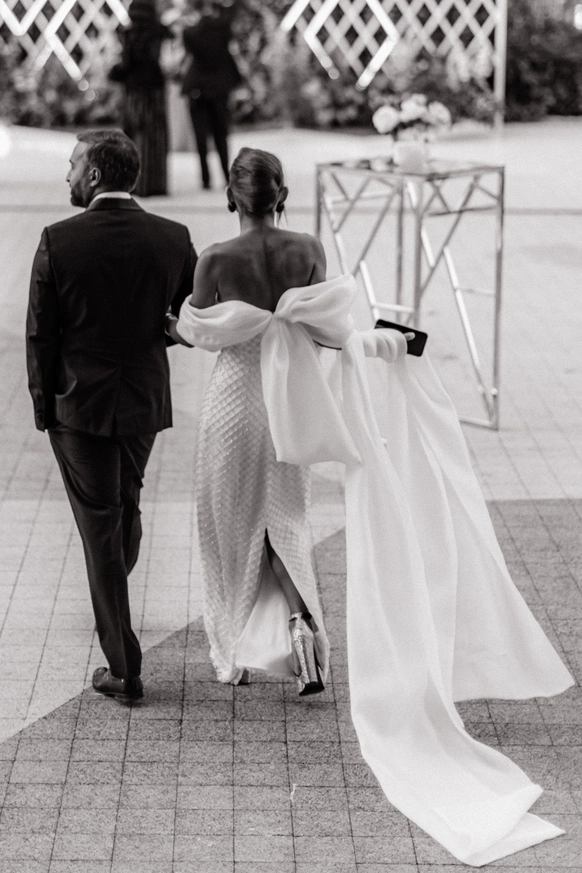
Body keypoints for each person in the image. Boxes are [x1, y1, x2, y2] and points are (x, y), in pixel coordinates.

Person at [167, 146, 574, 865]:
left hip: (236, 402)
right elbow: (328, 331)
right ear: (281, 194)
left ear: (232, 197)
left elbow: (200, 332)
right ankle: (305, 639)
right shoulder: (307, 250)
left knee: (225, 524)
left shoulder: (215, 259)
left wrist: (172, 322)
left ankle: (233, 653)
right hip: (292, 404)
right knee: (286, 520)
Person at [26, 129, 197, 701]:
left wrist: (43, 408)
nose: (68, 175)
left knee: (102, 526)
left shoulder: (59, 239)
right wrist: (154, 337)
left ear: (95, 174)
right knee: (123, 507)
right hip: (143, 400)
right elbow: (190, 317)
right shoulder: (173, 237)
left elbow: (41, 335)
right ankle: (112, 596)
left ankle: (124, 669)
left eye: (74, 164)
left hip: (78, 407)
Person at [113, 0, 172, 196]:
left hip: (134, 89)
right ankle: (156, 184)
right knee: (156, 136)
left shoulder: (128, 34)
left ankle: (137, 184)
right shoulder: (161, 32)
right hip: (155, 89)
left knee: (135, 134)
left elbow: (126, 62)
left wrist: (116, 72)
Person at [181, 0, 241, 189]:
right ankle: (225, 173)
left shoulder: (190, 33)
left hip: (197, 86)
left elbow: (189, 50)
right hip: (219, 86)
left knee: (200, 137)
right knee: (221, 133)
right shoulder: (222, 29)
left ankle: (205, 177)